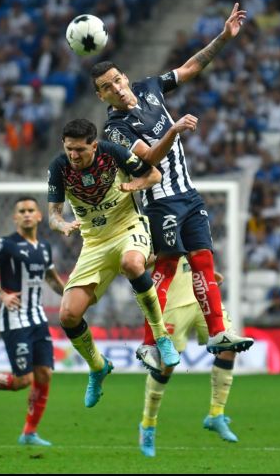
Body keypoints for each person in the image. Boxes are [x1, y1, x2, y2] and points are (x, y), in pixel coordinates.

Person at [90, 3, 253, 368]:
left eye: (117, 80)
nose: (116, 88)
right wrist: (173, 129)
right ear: (102, 96)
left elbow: (191, 67)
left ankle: (217, 333)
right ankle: (150, 343)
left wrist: (224, 37)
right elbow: (147, 159)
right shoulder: (115, 129)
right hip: (160, 201)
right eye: (107, 87)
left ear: (126, 78)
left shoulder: (150, 89)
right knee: (165, 265)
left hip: (189, 195)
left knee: (204, 261)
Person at [47, 118, 180, 408]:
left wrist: (135, 184)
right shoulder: (59, 167)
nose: (74, 155)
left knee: (133, 264)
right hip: (94, 242)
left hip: (128, 227)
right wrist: (62, 225)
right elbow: (53, 215)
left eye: (80, 150)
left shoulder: (113, 152)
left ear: (94, 146)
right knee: (68, 315)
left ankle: (161, 337)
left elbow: (154, 175)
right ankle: (97, 366)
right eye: (69, 149)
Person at [0, 197, 65, 447]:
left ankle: (29, 433)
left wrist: (71, 296)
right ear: (15, 217)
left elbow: (51, 278)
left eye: (31, 210)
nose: (27, 214)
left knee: (44, 374)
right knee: (23, 381)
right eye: (22, 211)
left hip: (37, 318)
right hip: (14, 318)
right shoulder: (6, 245)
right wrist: (1, 295)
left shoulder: (44, 248)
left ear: (40, 216)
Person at [138, 257, 240, 458]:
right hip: (173, 304)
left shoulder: (199, 225)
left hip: (202, 297)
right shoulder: (154, 227)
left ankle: (216, 414)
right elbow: (137, 264)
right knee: (165, 365)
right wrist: (163, 253)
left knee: (228, 345)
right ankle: (148, 425)